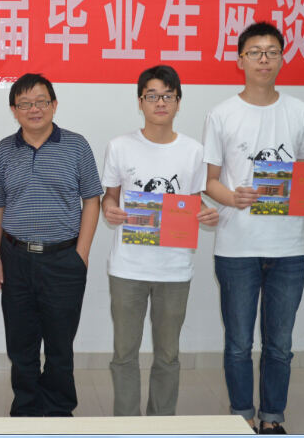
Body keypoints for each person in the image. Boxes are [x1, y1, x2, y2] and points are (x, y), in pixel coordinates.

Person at [202, 22, 304, 434]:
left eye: (272, 51)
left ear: (282, 58)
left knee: (280, 345)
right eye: (255, 52)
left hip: (288, 247)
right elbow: (209, 181)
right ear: (240, 59)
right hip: (236, 247)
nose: (263, 59)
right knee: (238, 344)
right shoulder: (221, 114)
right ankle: (242, 417)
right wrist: (233, 198)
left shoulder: (300, 111)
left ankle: (272, 419)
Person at [100, 65, 219, 417]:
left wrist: (207, 214)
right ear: (140, 102)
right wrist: (109, 209)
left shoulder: (194, 150)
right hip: (127, 268)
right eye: (152, 96)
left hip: (174, 269)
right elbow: (110, 196)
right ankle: (127, 425)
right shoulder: (119, 146)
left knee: (168, 356)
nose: (160, 102)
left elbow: (194, 202)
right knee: (125, 355)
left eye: (168, 96)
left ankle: (161, 424)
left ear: (179, 102)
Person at [0, 73, 103, 417]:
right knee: (20, 347)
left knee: (59, 348)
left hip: (64, 259)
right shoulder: (3, 151)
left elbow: (91, 200)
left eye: (41, 102)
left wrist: (81, 255)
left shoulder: (77, 146)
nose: (33, 109)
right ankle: (25, 412)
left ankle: (58, 414)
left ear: (54, 105)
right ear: (14, 110)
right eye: (24, 103)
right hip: (15, 258)